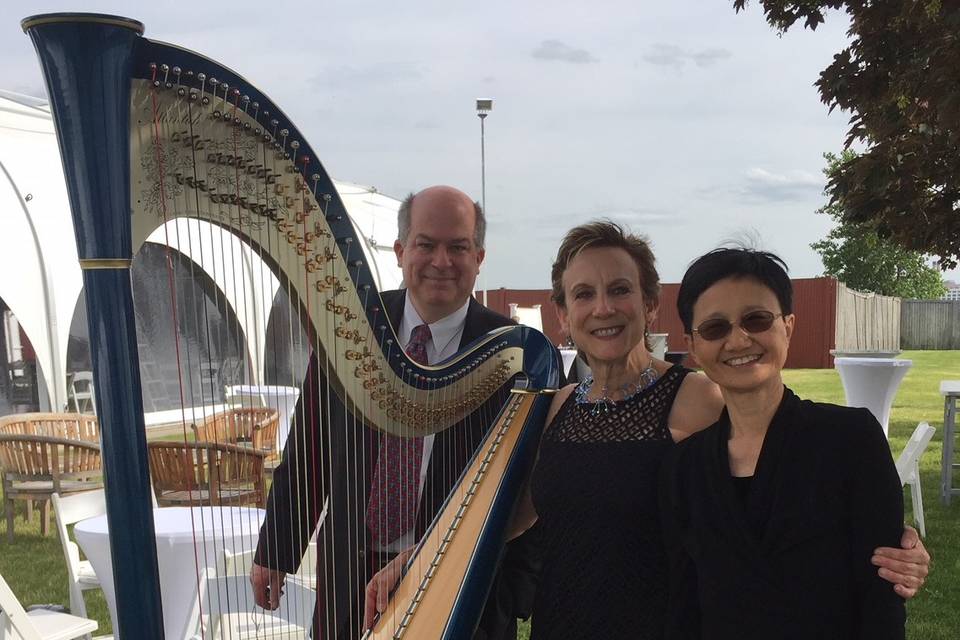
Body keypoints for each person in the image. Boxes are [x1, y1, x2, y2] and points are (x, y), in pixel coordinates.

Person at [500, 222, 927, 639]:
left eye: (620, 289)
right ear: (562, 315)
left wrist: (899, 549)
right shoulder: (555, 406)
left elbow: (775, 489)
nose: (603, 308)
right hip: (559, 620)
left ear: (650, 305)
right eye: (583, 294)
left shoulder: (702, 398)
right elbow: (517, 516)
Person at [250, 185, 535, 639]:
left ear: (479, 258)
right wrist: (276, 550)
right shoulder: (351, 328)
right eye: (426, 244)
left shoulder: (513, 353)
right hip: (348, 572)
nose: (441, 261)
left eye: (458, 247)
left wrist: (511, 594)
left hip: (455, 583)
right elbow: (309, 448)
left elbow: (527, 490)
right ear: (402, 251)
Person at [660, 248, 908, 639]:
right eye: (715, 328)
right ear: (693, 346)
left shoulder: (850, 440)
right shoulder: (686, 466)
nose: (738, 339)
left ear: (787, 326)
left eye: (755, 319)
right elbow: (684, 605)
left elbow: (883, 600)